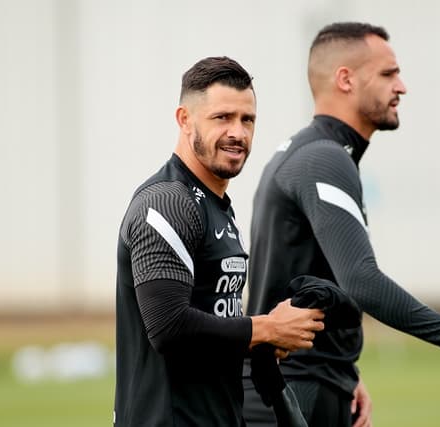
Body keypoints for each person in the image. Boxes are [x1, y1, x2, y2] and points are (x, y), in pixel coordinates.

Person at [243, 22, 440, 427]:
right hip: (292, 392)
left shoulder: (316, 152)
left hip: (307, 382)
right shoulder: (323, 158)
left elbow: (311, 274)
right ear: (346, 79)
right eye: (388, 73)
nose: (402, 86)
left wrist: (344, 370)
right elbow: (361, 279)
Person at [113, 56, 326, 427]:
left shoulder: (217, 207)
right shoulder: (167, 203)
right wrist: (266, 328)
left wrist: (263, 343)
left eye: (248, 120)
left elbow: (213, 322)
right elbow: (169, 327)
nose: (238, 133)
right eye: (222, 117)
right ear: (184, 119)